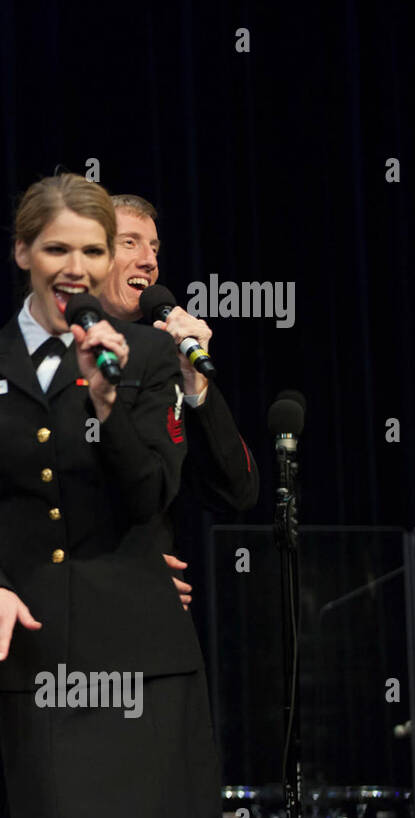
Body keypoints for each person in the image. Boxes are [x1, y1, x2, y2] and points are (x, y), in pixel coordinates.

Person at [0, 173, 228, 818]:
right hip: (40, 665)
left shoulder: (149, 356)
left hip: (145, 664)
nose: (77, 268)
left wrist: (108, 405)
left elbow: (152, 495)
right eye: (57, 249)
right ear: (22, 253)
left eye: (94, 251)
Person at [98, 194, 258, 609]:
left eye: (154, 247)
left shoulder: (166, 362)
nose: (149, 260)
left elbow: (235, 493)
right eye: (129, 242)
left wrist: (193, 379)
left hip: (160, 626)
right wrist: (123, 570)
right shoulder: (42, 358)